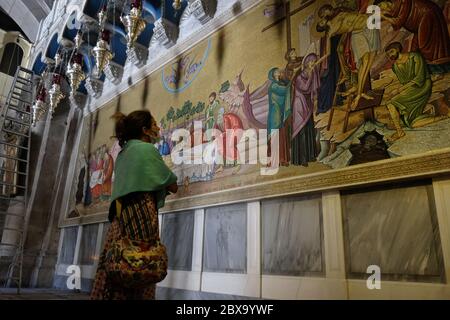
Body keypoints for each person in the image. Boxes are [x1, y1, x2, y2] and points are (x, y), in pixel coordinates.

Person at [91, 110, 178, 300]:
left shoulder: (124, 153)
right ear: (145, 130)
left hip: (120, 218)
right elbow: (172, 183)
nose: (158, 128)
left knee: (118, 264)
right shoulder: (146, 150)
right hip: (142, 215)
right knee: (141, 264)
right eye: (154, 124)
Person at [380, 0, 450, 74]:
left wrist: (383, 16)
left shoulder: (404, 2)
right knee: (415, 47)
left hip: (427, 15)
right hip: (422, 19)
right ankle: (425, 69)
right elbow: (396, 22)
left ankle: (437, 70)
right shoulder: (396, 6)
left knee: (425, 45)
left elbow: (398, 22)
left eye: (380, 5)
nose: (381, 8)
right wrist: (386, 14)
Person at [384, 42, 433, 141]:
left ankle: (400, 132)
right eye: (388, 54)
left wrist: (398, 91)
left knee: (390, 102)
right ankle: (400, 130)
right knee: (390, 102)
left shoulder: (414, 56)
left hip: (422, 86)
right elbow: (404, 82)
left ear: (398, 49)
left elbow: (420, 78)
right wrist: (399, 91)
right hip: (411, 88)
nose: (390, 55)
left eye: (392, 51)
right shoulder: (395, 66)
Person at [291, 53, 321, 166]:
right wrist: (312, 75)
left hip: (307, 105)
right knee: (301, 131)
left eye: (314, 61)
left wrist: (313, 73)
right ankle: (301, 159)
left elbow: (316, 87)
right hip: (299, 106)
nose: (313, 63)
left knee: (309, 129)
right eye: (311, 61)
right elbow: (305, 88)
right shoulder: (299, 77)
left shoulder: (312, 74)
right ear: (307, 63)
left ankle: (311, 155)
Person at [267, 68, 291, 166]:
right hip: (275, 113)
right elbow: (283, 91)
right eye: (276, 72)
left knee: (281, 135)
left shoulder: (280, 83)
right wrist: (290, 85)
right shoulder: (273, 86)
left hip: (280, 112)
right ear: (273, 75)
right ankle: (275, 160)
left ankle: (283, 159)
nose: (278, 73)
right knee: (275, 135)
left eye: (278, 71)